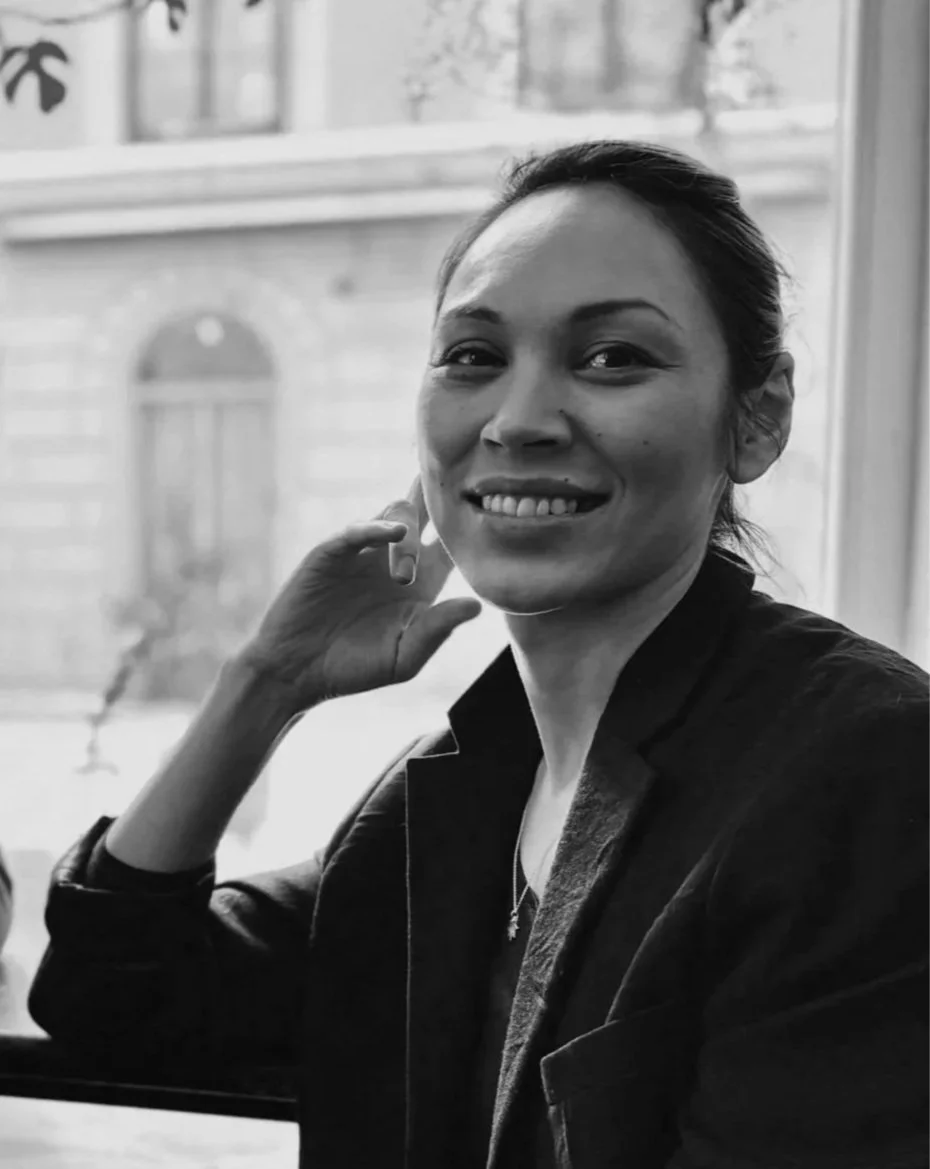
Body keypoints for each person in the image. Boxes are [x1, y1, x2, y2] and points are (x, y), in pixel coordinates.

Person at [28, 140, 928, 1169]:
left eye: (613, 358)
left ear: (758, 417)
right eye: (474, 357)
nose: (520, 419)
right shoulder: (449, 800)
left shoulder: (865, 767)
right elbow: (113, 991)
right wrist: (265, 682)